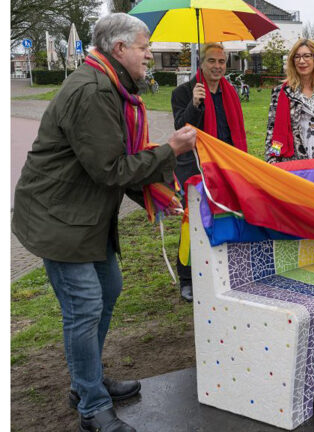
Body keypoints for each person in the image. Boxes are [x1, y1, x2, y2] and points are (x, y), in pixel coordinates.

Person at [11, 13, 197, 432]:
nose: (150, 54)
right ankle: (91, 404)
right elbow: (110, 169)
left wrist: (156, 196)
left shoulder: (113, 86)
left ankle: (86, 380)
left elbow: (112, 160)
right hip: (59, 218)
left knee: (108, 289)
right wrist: (169, 149)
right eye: (144, 47)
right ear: (119, 49)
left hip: (82, 215)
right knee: (84, 307)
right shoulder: (95, 91)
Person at [171, 42, 247, 302]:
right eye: (212, 61)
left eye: (222, 61)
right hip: (194, 167)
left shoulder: (230, 93)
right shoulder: (183, 92)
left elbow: (234, 133)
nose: (217, 66)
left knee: (224, 217)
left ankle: (217, 270)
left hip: (225, 166)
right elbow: (182, 129)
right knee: (192, 223)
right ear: (201, 63)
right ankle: (187, 278)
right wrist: (194, 103)